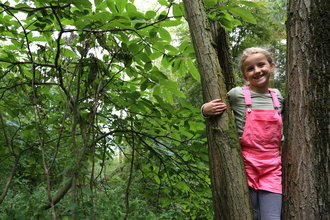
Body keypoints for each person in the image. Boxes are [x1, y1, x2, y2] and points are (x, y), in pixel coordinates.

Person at [202, 47, 284, 220]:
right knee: (249, 215)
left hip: (272, 168)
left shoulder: (277, 96)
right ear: (245, 76)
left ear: (272, 66)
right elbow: (215, 106)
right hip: (246, 165)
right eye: (250, 69)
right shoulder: (238, 94)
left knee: (272, 217)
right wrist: (205, 109)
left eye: (261, 65)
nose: (257, 71)